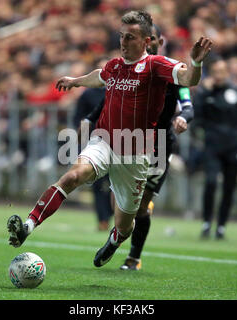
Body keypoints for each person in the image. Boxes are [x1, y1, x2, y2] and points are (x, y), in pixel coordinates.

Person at [6, 10, 212, 268]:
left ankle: (115, 240)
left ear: (146, 41)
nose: (123, 43)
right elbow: (100, 76)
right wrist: (75, 81)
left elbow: (187, 79)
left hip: (136, 153)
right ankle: (28, 225)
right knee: (72, 176)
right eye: (122, 36)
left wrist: (196, 63)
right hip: (103, 141)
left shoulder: (156, 65)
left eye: (131, 38)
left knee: (126, 224)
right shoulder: (115, 65)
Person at [78, 24, 195, 270]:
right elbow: (110, 100)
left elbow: (187, 100)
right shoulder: (128, 68)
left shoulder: (171, 69)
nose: (144, 44)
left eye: (148, 40)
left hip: (158, 145)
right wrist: (90, 118)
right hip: (127, 141)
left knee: (141, 207)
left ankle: (134, 257)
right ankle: (117, 235)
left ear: (156, 42)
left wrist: (184, 116)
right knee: (117, 202)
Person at [193, 57, 237, 240]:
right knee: (211, 182)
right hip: (212, 146)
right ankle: (206, 222)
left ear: (227, 73)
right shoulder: (204, 93)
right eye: (215, 72)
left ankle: (221, 225)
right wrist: (204, 93)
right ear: (211, 74)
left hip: (233, 146)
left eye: (222, 71)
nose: (219, 75)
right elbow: (196, 115)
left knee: (229, 187)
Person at [73, 59, 113, 231]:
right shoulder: (88, 94)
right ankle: (103, 219)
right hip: (96, 143)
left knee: (117, 183)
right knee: (98, 183)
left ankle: (114, 215)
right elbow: (79, 117)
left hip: (120, 142)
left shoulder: (120, 91)